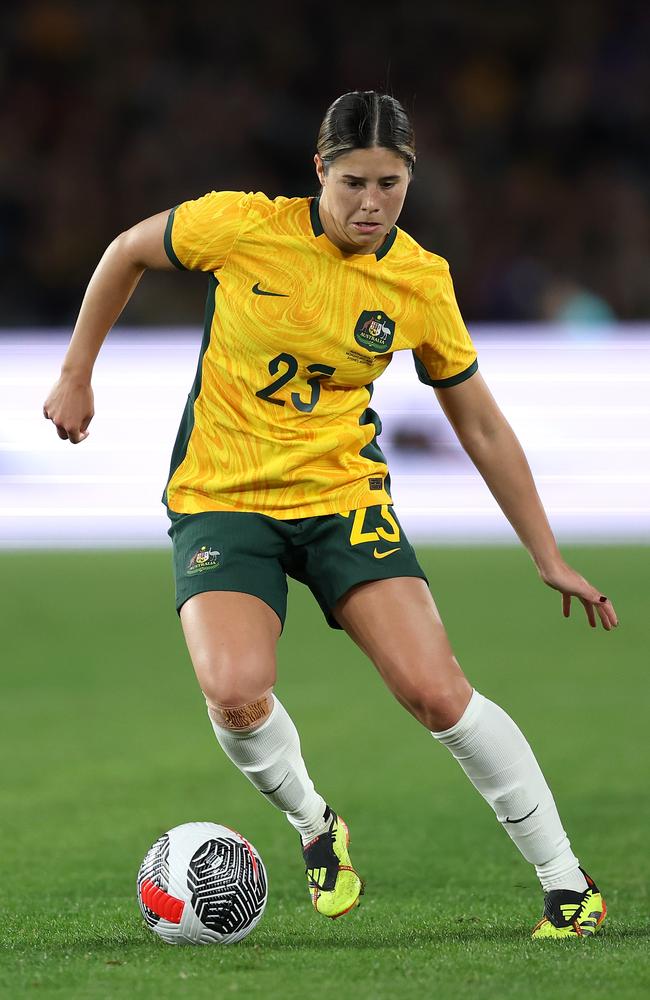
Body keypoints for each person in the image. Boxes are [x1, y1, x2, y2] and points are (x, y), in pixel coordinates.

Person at [43, 90, 618, 938]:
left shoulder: (418, 280)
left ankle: (568, 885)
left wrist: (546, 552)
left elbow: (481, 422)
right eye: (353, 182)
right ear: (320, 171)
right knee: (235, 694)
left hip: (343, 500)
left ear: (410, 179)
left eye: (390, 183)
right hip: (224, 495)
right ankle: (317, 826)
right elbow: (125, 251)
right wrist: (76, 372)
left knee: (437, 693)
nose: (371, 203)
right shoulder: (240, 226)